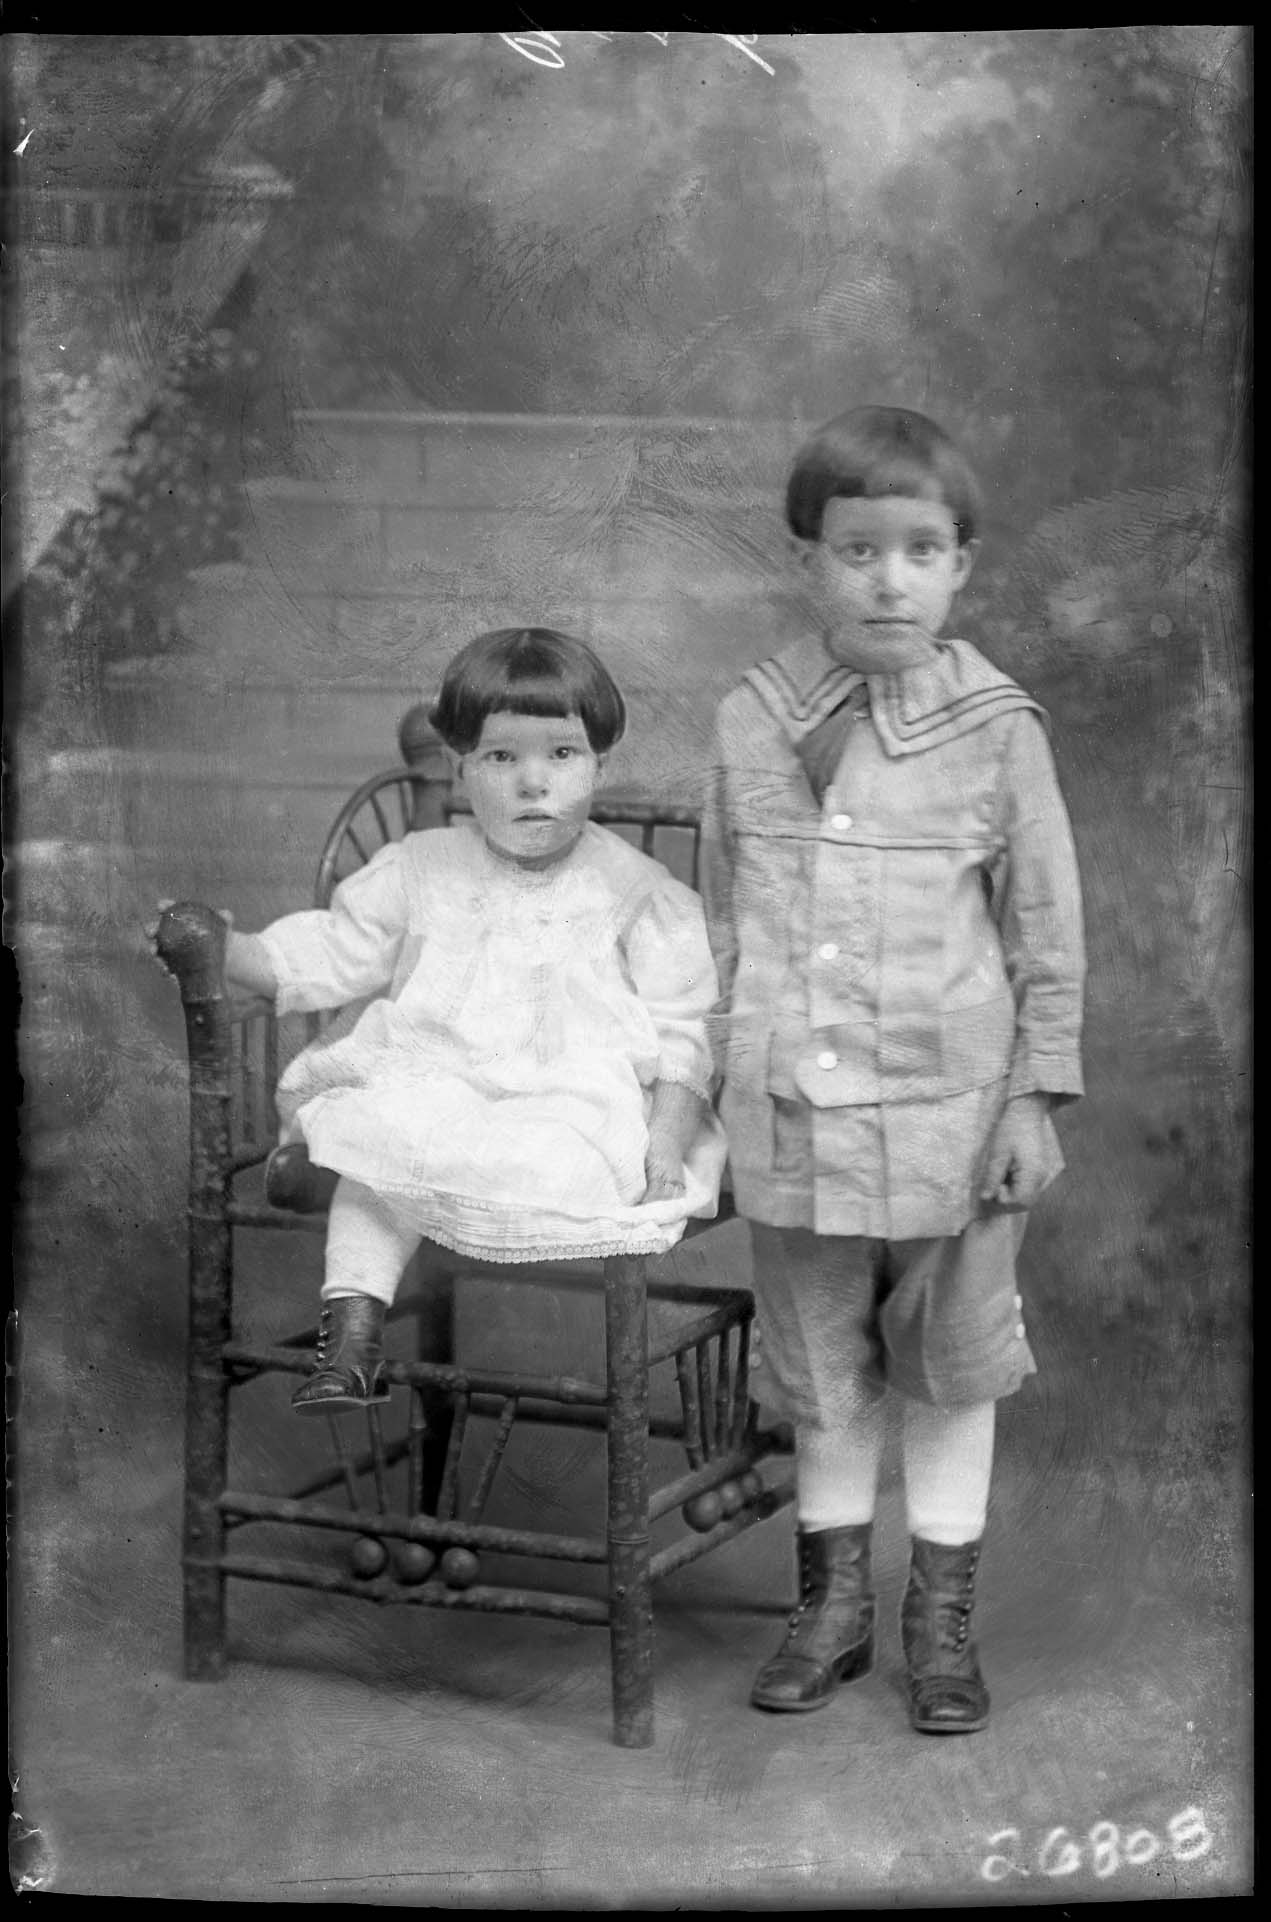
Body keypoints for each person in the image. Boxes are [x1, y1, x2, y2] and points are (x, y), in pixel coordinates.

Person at [700, 405, 1085, 1734]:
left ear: (959, 564)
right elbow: (722, 924)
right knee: (819, 1372)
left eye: (919, 550)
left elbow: (1044, 930)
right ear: (807, 559)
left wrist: (1031, 1096)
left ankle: (937, 1619)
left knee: (949, 1365)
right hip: (793, 1117)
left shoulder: (995, 728)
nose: (886, 580)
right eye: (856, 550)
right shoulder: (751, 718)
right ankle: (831, 1612)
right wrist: (710, 1089)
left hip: (949, 1121)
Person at [218, 627, 726, 1416]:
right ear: (461, 770)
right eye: (501, 757)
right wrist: (234, 952)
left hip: (565, 1099)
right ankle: (350, 1338)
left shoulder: (634, 890)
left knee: (553, 1164)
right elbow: (337, 950)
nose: (533, 782)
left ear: (599, 766)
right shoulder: (423, 865)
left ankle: (330, 1165)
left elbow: (684, 1026)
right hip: (433, 1078)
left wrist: (665, 1139)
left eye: (562, 754)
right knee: (387, 1135)